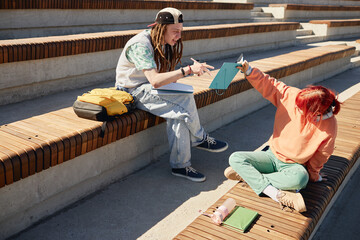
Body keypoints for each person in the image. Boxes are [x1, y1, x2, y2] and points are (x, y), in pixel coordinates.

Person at [115, 7, 228, 182]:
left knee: (179, 113)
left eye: (180, 31)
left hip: (146, 88)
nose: (179, 36)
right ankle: (199, 138)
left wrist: (178, 80)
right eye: (175, 31)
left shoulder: (161, 41)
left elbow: (162, 77)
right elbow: (154, 80)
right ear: (161, 28)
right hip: (131, 91)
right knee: (184, 100)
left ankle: (181, 166)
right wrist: (188, 70)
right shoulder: (141, 44)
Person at [224, 59, 340, 212]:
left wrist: (314, 176)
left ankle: (250, 177)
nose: (296, 109)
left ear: (316, 112)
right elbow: (270, 84)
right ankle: (277, 193)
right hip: (271, 155)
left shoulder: (329, 126)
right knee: (236, 158)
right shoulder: (294, 97)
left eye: (301, 110)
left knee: (300, 179)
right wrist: (249, 71)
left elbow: (321, 156)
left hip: (293, 165)